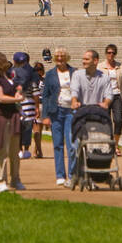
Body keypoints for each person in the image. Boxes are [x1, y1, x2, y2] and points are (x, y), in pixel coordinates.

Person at [0, 52, 24, 192]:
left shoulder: (7, 77)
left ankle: (15, 179)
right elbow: (0, 98)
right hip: (0, 116)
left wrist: (18, 93)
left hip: (12, 115)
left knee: (14, 151)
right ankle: (0, 180)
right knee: (2, 149)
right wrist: (17, 99)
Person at [40, 48, 76, 185]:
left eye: (62, 56)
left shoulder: (74, 72)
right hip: (56, 111)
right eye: (57, 56)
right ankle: (60, 175)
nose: (60, 58)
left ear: (67, 57)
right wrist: (45, 116)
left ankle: (72, 174)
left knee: (72, 143)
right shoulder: (50, 74)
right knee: (58, 144)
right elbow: (45, 95)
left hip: (71, 111)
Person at [100, 44, 122, 154]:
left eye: (113, 52)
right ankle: (107, 144)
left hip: (117, 95)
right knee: (105, 121)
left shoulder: (120, 66)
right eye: (109, 52)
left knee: (118, 120)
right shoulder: (100, 66)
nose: (111, 54)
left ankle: (116, 145)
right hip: (104, 97)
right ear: (106, 53)